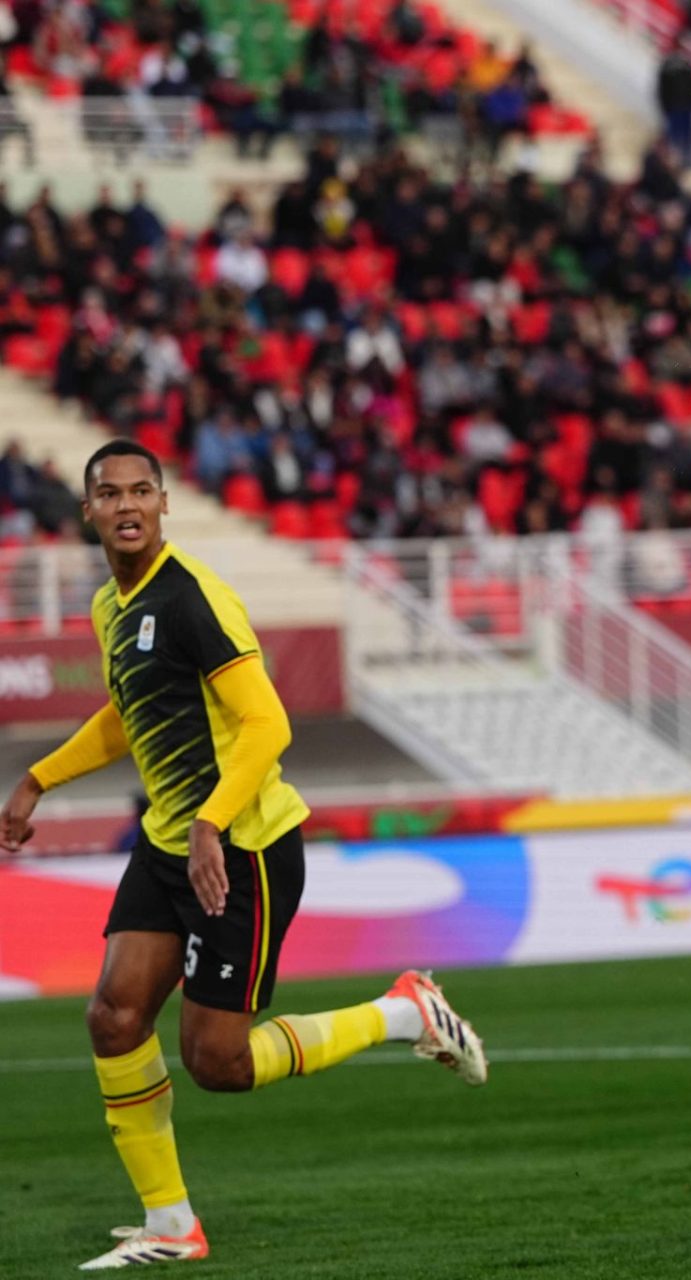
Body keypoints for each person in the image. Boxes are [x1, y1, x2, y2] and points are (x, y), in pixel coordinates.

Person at [0, 441, 489, 1271]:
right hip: (171, 844)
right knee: (114, 1017)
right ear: (87, 510)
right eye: (109, 493)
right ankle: (170, 1224)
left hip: (244, 848)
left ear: (164, 504)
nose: (126, 505)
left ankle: (404, 1011)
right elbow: (127, 715)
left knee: (218, 1063)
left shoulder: (193, 598)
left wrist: (211, 822)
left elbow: (268, 724)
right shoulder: (111, 606)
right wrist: (38, 779)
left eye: (141, 491)